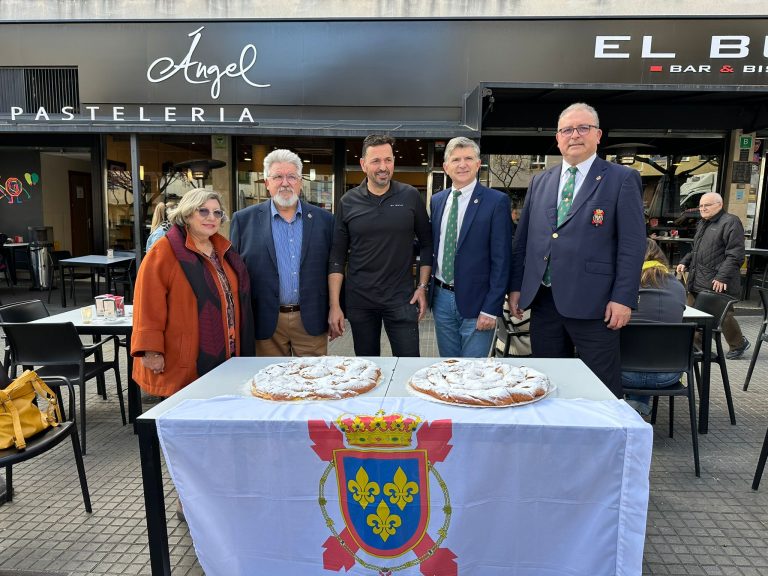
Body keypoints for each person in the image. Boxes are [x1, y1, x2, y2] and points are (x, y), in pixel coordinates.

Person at [508, 102, 646, 397]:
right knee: (546, 384)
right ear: (557, 138)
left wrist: (623, 298)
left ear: (598, 135)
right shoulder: (540, 181)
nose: (575, 135)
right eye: (567, 129)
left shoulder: (621, 178)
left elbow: (632, 245)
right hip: (544, 302)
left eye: (583, 128)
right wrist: (516, 287)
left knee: (600, 390)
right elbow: (524, 241)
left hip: (596, 306)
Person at [132, 189, 255, 398]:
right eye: (203, 211)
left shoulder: (224, 251)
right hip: (185, 356)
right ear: (187, 214)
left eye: (217, 213)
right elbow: (147, 303)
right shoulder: (165, 251)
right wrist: (150, 350)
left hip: (229, 353)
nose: (211, 217)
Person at [328, 134, 433, 357]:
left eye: (388, 160)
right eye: (376, 161)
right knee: (368, 368)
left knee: (408, 366)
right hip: (360, 301)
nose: (383, 167)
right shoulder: (348, 201)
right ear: (363, 164)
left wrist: (422, 287)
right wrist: (335, 305)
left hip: (402, 299)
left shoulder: (410, 196)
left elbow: (427, 244)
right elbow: (337, 257)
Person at [230, 149, 334, 356]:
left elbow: (333, 266)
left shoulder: (325, 220)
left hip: (311, 319)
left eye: (292, 177)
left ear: (300, 182)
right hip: (266, 321)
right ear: (267, 182)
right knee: (270, 384)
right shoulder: (243, 220)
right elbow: (235, 273)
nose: (285, 183)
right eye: (278, 176)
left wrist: (336, 308)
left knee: (313, 384)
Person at [430, 137, 512, 357]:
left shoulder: (496, 202)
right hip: (441, 298)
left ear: (478, 164)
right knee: (449, 367)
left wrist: (491, 308)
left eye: (468, 158)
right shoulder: (437, 201)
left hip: (478, 303)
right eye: (456, 159)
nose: (462, 164)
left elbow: (502, 260)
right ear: (446, 167)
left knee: (473, 373)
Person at [676, 191, 749, 359]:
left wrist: (722, 277)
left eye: (707, 205)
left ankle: (738, 344)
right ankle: (698, 348)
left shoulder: (731, 222)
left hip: (718, 280)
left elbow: (736, 255)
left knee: (724, 315)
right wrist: (684, 261)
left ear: (719, 205)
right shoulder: (703, 223)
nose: (703, 208)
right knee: (692, 313)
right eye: (701, 205)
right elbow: (696, 250)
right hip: (698, 278)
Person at [622, 238, 687, 415]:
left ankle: (621, 408)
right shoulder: (678, 287)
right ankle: (637, 406)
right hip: (669, 374)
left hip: (624, 372)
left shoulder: (624, 286)